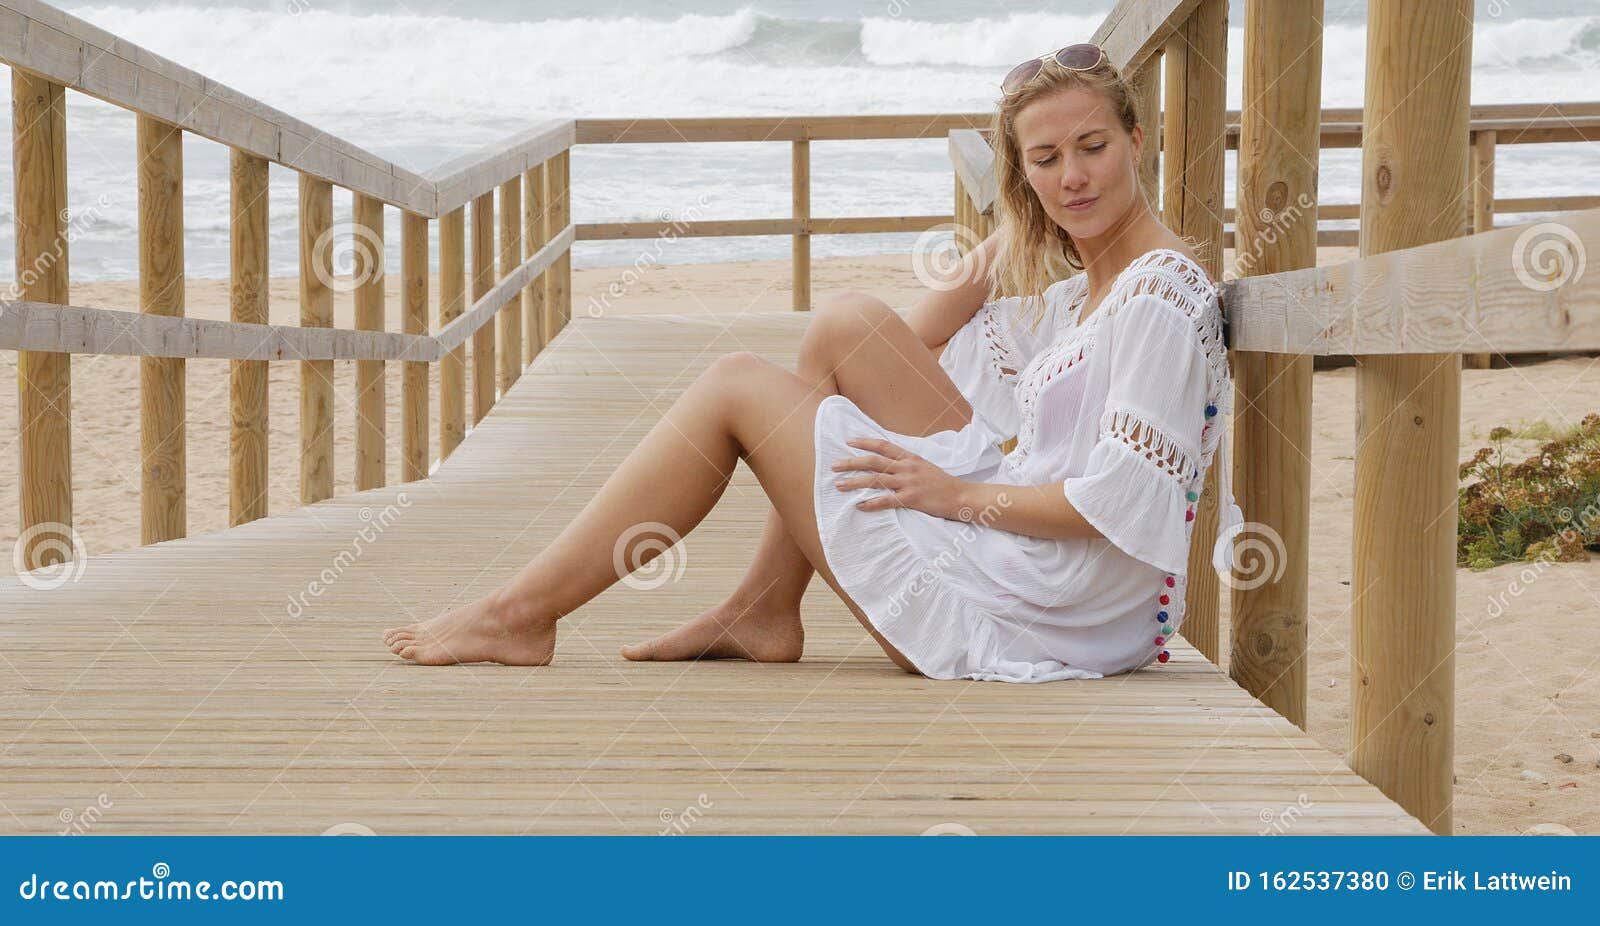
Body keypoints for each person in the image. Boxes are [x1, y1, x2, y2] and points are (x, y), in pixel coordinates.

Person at [383, 43, 1244, 679]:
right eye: (1046, 160)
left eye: (1093, 147)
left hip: (1049, 602)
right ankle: (764, 606)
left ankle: (520, 613)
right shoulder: (1083, 292)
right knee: (844, 324)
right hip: (1054, 574)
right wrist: (1028, 216)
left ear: (1138, 137)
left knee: (735, 388)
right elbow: (919, 336)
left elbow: (1122, 500)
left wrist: (954, 497)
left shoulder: (1158, 294)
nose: (1075, 179)